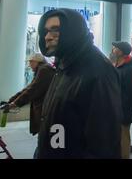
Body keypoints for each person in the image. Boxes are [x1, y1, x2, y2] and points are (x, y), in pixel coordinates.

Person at [36, 8, 122, 159]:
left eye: (56, 30)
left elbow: (103, 142)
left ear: (73, 31)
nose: (48, 37)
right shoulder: (64, 65)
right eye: (46, 31)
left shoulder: (99, 70)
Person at [8, 53, 55, 158]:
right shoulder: (42, 70)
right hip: (44, 109)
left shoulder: (44, 70)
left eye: (31, 62)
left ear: (37, 62)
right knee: (43, 140)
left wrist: (16, 103)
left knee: (44, 139)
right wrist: (12, 100)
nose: (29, 65)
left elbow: (33, 89)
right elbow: (29, 87)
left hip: (45, 110)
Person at [110, 41, 132, 159]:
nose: (113, 49)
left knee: (124, 133)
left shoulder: (129, 70)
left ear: (121, 52)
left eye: (115, 48)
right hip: (116, 105)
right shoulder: (117, 66)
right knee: (117, 134)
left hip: (125, 107)